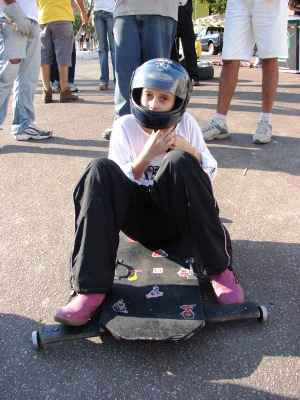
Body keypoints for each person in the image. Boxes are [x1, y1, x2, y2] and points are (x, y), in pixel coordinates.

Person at [54, 58, 244, 327]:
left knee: (179, 161)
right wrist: (147, 154)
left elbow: (210, 172)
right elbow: (116, 181)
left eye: (163, 98)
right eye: (149, 95)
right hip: (136, 221)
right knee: (98, 169)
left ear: (177, 102)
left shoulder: (186, 123)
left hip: (176, 218)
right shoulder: (125, 126)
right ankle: (90, 290)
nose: (154, 104)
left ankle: (219, 271)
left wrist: (186, 149)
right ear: (137, 95)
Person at [202, 0, 288, 144]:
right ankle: (219, 122)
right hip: (238, 2)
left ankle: (265, 121)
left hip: (269, 3)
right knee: (229, 58)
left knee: (269, 57)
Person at [102, 0, 180, 140]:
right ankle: (123, 121)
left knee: (159, 75)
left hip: (161, 8)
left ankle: (158, 123)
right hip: (125, 9)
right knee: (124, 73)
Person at [0, 0, 52, 141]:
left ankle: (23, 124)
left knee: (28, 77)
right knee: (5, 76)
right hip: (10, 17)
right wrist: (12, 9)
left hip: (32, 18)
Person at [37, 0, 87, 103]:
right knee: (63, 56)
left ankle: (46, 91)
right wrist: (83, 11)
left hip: (43, 18)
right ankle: (64, 91)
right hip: (62, 17)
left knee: (44, 56)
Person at [171, 0, 200, 86]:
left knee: (189, 48)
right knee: (172, 50)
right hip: (171, 11)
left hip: (185, 13)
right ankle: (174, 75)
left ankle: (193, 76)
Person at [92, 0, 116, 91]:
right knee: (102, 48)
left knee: (114, 48)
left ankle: (117, 80)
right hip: (97, 12)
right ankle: (103, 80)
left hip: (111, 12)